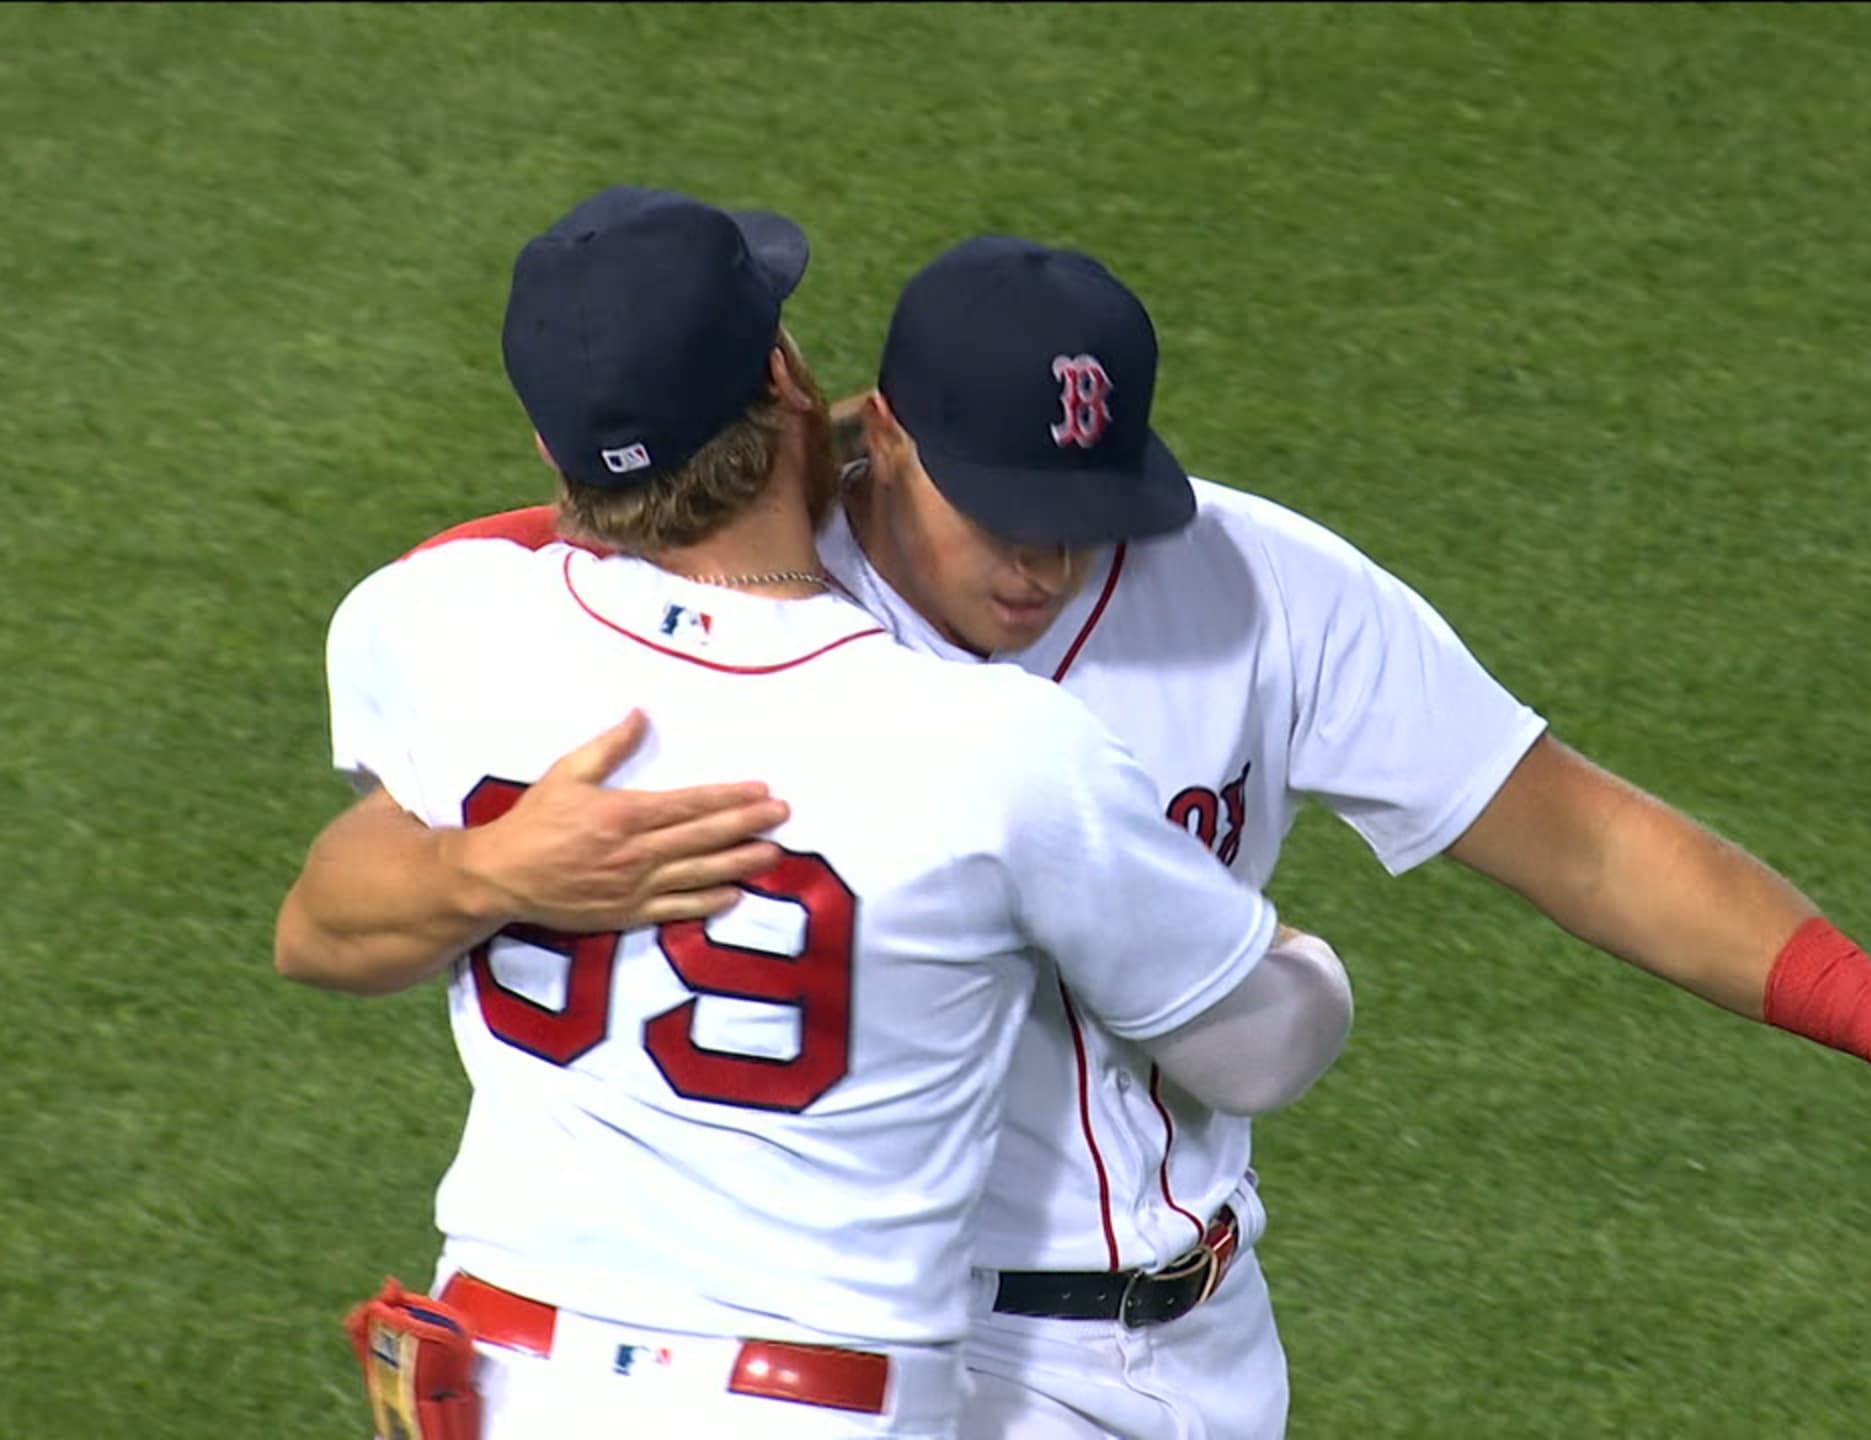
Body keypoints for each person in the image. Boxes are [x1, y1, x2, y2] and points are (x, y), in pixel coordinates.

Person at [285, 232, 1871, 1439]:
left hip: (1185, 1357)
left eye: (1093, 503)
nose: (1051, 557)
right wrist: (472, 872)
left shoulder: (1256, 588)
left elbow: (1579, 840)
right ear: (854, 429)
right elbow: (346, 885)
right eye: (1001, 513)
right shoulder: (620, 625)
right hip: (904, 1365)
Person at [276, 186, 1355, 1440]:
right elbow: (1257, 1051)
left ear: (549, 451)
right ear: (787, 380)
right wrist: (1285, 950)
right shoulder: (992, 749)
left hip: (502, 1379)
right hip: (798, 1410)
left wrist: (493, 871)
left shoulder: (437, 624)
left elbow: (316, 926)